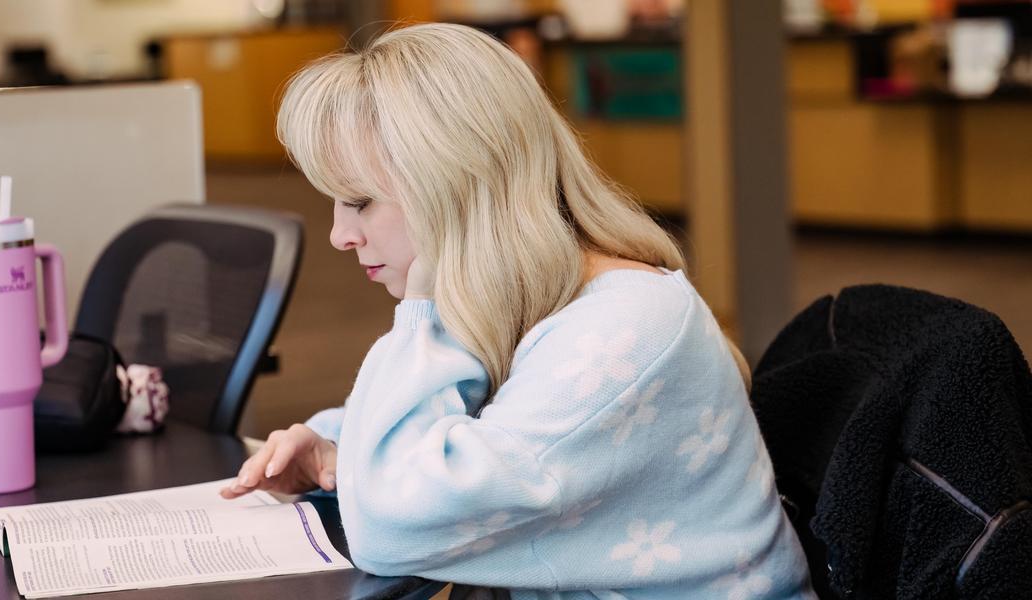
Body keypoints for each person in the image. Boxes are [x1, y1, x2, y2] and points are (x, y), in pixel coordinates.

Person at [221, 22, 814, 599]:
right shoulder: (528, 299)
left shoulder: (625, 330)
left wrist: (423, 312)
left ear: (454, 185)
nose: (338, 236)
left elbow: (392, 529)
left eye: (359, 202)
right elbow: (448, 432)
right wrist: (333, 447)